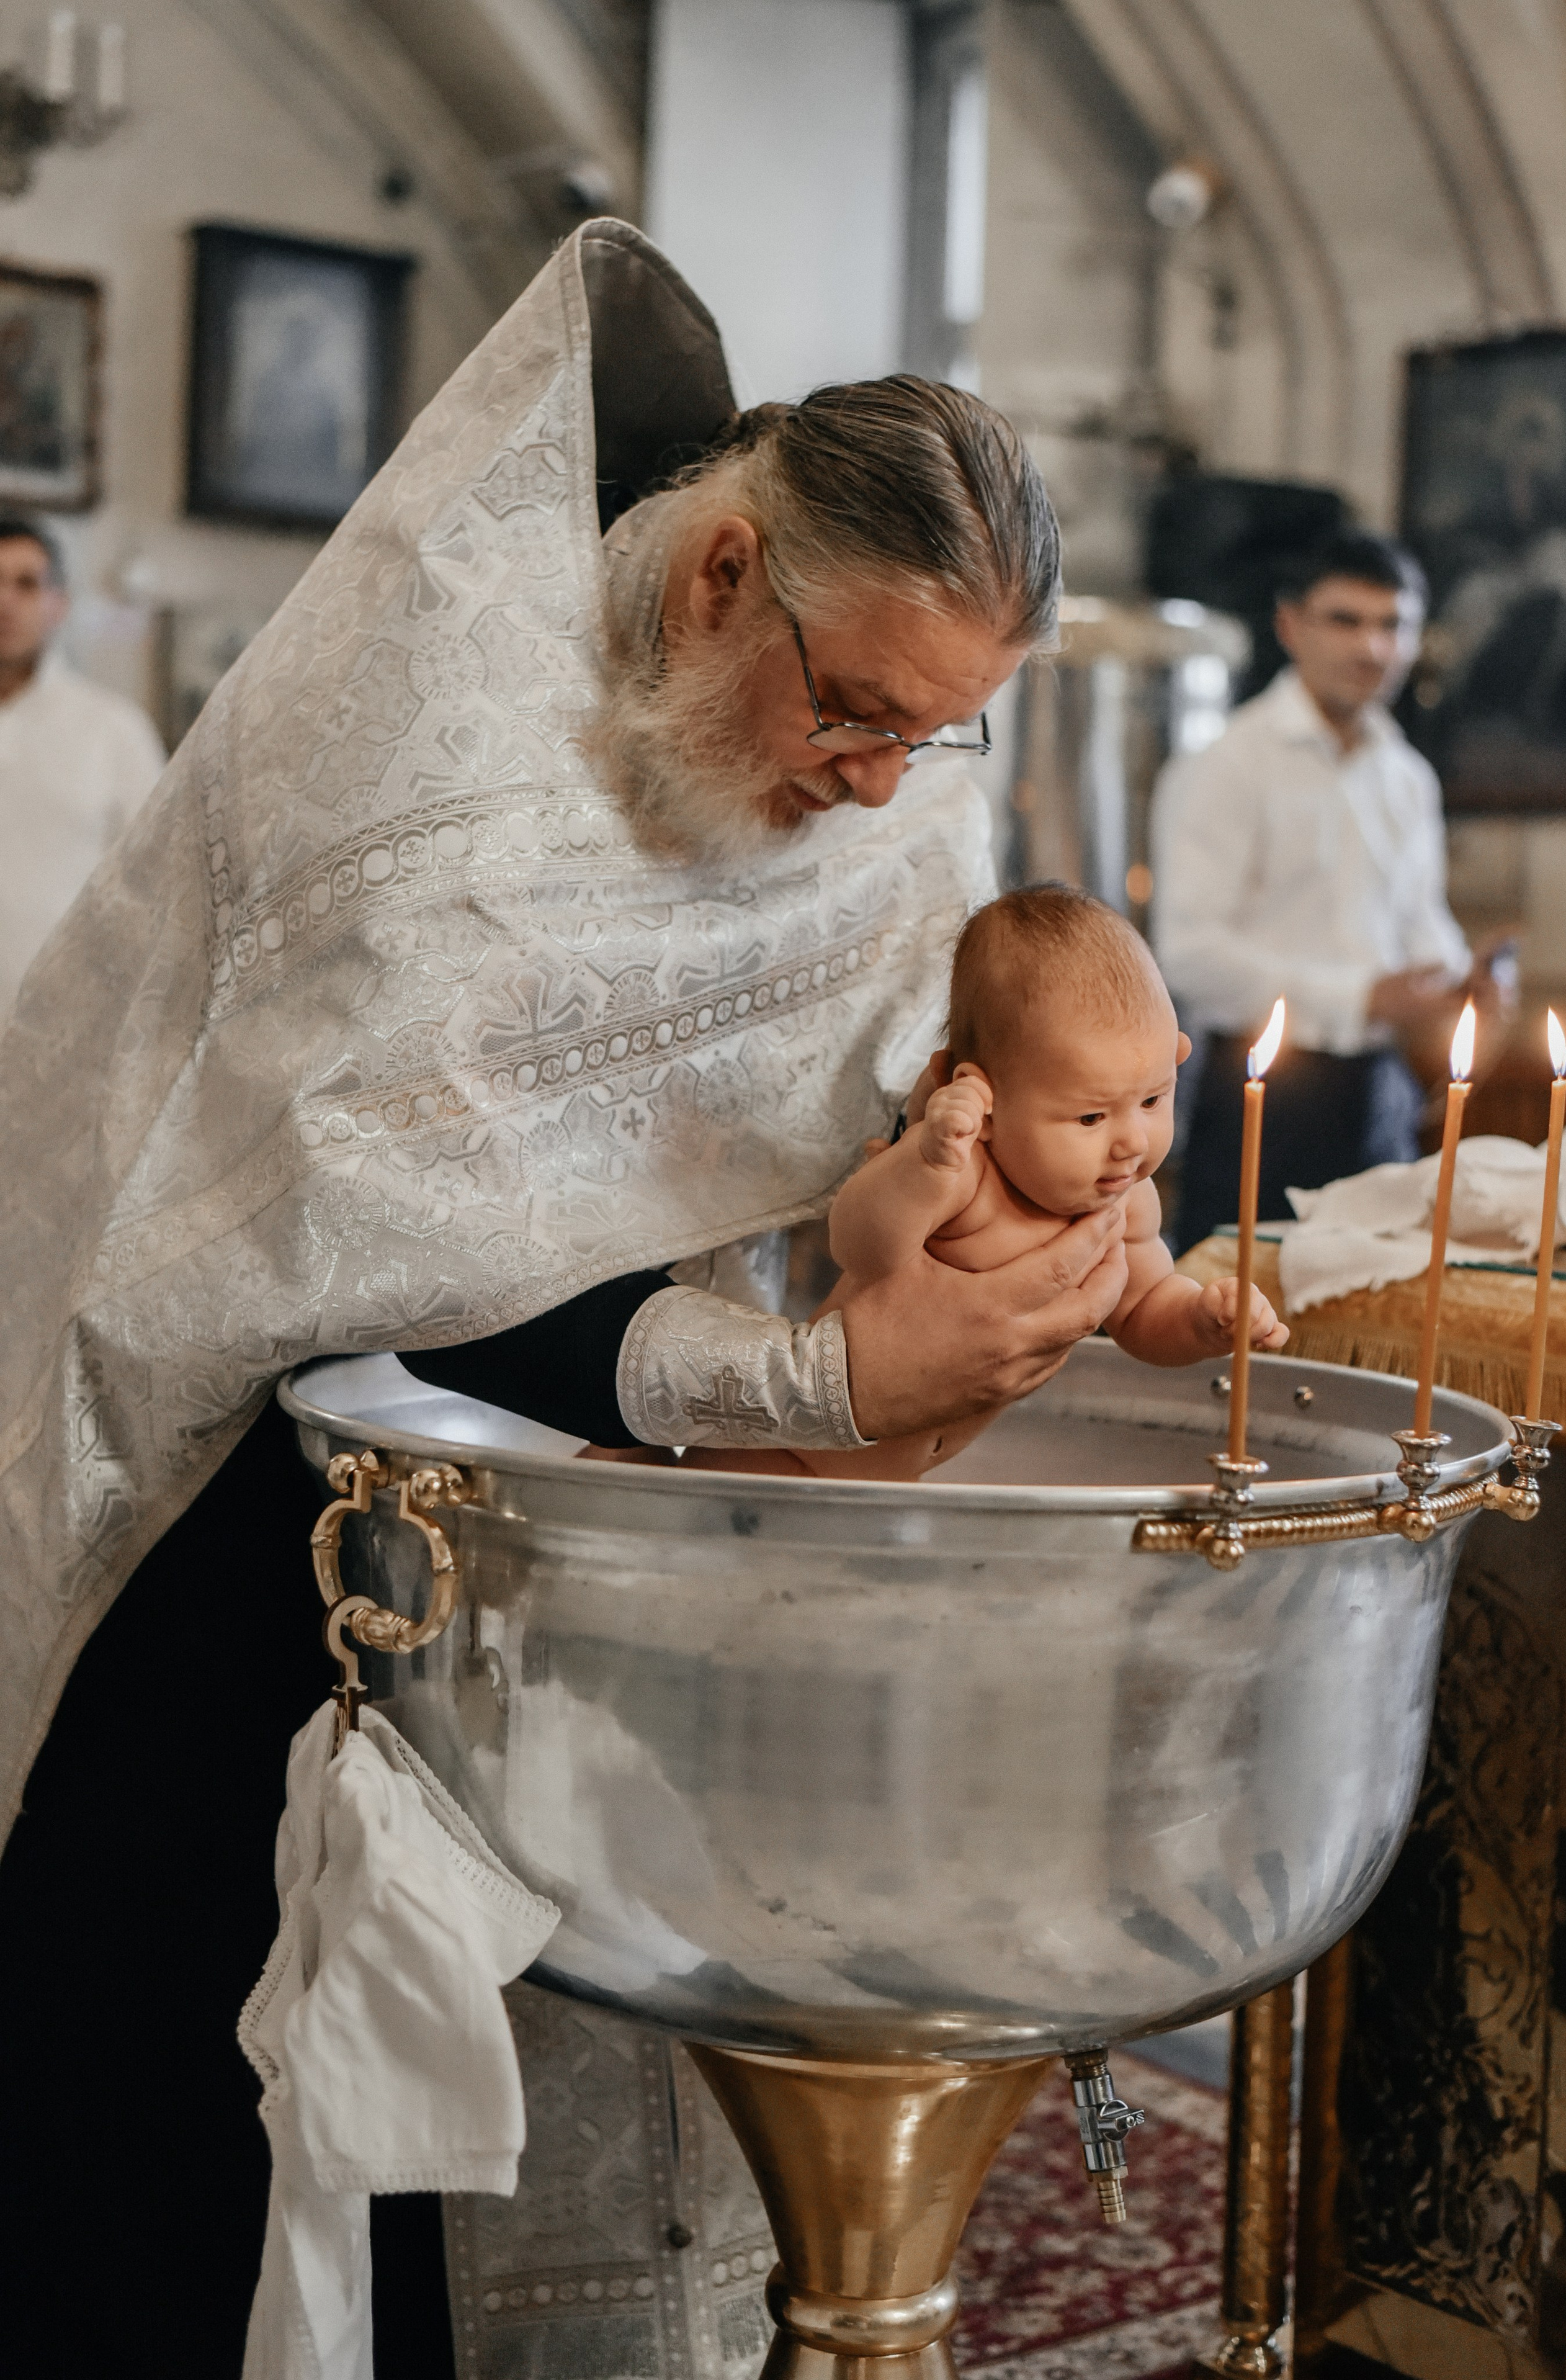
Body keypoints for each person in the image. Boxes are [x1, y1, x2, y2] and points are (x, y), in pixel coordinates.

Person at [0, 222, 1130, 2379]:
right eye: (864, 714)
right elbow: (335, 1261)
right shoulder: (428, 738)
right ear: (723, 579)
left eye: (944, 739)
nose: (881, 786)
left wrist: (1012, 1233)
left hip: (609, 1568)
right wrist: (805, 1374)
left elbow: (936, 1075)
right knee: (180, 2125)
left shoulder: (891, 808)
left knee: (518, 2153)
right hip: (260, 1543)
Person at [634, 886, 1287, 1483]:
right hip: (788, 1455)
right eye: (1089, 1116)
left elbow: (1143, 1316)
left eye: (1151, 1100)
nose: (1130, 1141)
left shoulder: (1124, 1203)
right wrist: (924, 1162)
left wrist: (1202, 1322)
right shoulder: (966, 1173)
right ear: (987, 1101)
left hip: (892, 1482)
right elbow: (859, 1245)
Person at [1153, 530, 1502, 1256]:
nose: (1372, 647)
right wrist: (1364, 998)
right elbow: (1186, 954)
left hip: (1385, 1098)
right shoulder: (1225, 765)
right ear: (1290, 626)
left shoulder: (1408, 778)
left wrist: (1464, 981)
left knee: (1373, 1334)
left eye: (1393, 624)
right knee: (1237, 1335)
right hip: (1264, 1094)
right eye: (1346, 620)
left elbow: (1418, 930)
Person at [0, 509, 166, 1016]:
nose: (4, 600)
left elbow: (156, 891)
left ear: (59, 604)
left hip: (62, 1033)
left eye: (26, 584)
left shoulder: (116, 733)